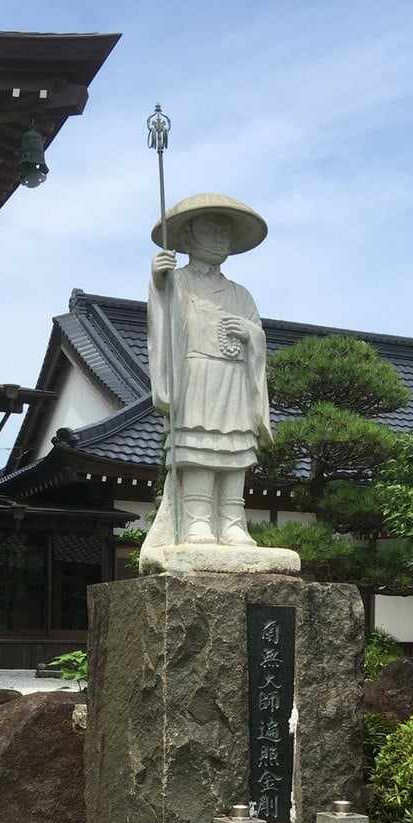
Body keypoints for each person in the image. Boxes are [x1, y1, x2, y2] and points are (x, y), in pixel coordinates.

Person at [140, 193, 272, 566]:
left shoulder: (240, 294)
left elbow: (259, 336)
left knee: (235, 448)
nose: (218, 240)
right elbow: (162, 323)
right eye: (210, 231)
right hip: (196, 374)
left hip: (233, 378)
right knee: (199, 447)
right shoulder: (176, 281)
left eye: (224, 234)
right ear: (188, 237)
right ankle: (198, 519)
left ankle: (232, 519)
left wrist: (249, 332)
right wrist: (158, 281)